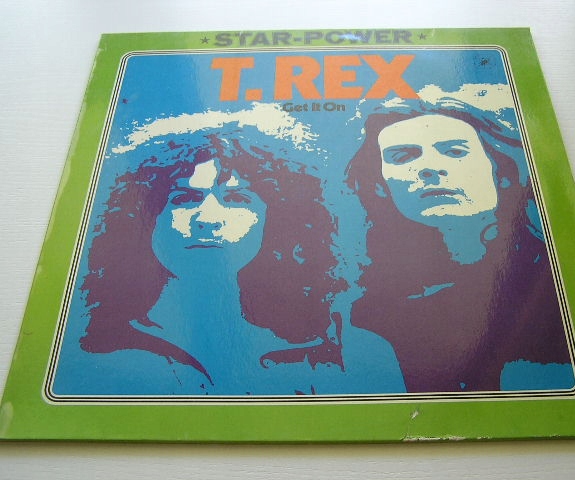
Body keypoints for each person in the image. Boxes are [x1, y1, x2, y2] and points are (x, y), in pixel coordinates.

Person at [54, 125, 404, 396]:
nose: (208, 218)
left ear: (277, 219)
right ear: (145, 218)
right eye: (184, 198)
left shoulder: (341, 348)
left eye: (237, 198)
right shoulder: (90, 348)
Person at [346, 98, 575, 393]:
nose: (429, 168)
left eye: (455, 152)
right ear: (379, 185)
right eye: (403, 156)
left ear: (501, 170)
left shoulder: (554, 279)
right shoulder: (364, 308)